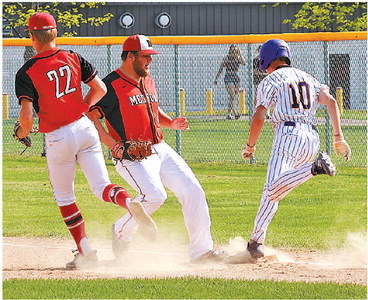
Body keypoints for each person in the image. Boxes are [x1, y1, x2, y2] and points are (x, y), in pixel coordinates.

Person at [14, 13, 157, 270]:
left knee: (65, 196)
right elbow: (100, 89)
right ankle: (128, 202)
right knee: (101, 186)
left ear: (32, 38)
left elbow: (26, 116)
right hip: (84, 127)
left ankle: (86, 253)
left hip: (58, 137)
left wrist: (23, 132)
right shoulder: (73, 56)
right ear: (55, 34)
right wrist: (79, 109)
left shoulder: (27, 71)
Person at [86, 34, 225, 263]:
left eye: (151, 57)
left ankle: (201, 251)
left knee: (193, 191)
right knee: (154, 196)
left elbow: (151, 111)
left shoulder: (148, 80)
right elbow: (90, 115)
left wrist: (171, 123)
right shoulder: (110, 85)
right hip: (132, 156)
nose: (150, 61)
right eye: (145, 57)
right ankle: (121, 230)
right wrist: (112, 145)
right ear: (130, 57)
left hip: (159, 147)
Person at [241, 39, 351, 259]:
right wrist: (338, 137)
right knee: (273, 191)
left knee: (273, 189)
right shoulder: (307, 77)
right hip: (311, 138)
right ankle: (256, 242)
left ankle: (315, 167)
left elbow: (259, 115)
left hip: (288, 136)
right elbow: (330, 102)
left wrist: (250, 146)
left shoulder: (271, 79)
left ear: (265, 59)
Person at [214, 44, 246, 120]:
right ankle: (235, 112)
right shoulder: (226, 58)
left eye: (235, 50)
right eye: (232, 50)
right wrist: (216, 78)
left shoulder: (238, 58)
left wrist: (240, 54)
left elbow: (244, 63)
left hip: (236, 76)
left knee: (233, 97)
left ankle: (228, 114)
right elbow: (221, 68)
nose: (234, 51)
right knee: (232, 95)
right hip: (228, 76)